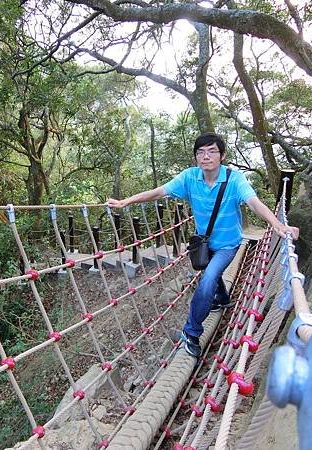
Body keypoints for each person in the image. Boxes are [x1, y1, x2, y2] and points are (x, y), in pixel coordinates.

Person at [107, 133, 299, 357]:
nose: (205, 156)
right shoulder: (190, 178)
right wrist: (125, 201)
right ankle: (223, 299)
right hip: (205, 243)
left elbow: (254, 203)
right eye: (200, 152)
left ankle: (191, 332)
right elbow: (159, 192)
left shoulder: (235, 180)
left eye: (212, 151)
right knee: (211, 274)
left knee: (207, 279)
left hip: (228, 244)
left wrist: (277, 225)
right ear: (196, 156)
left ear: (222, 155)